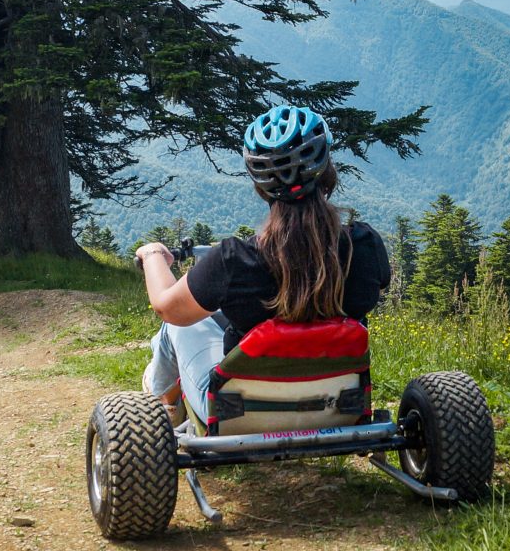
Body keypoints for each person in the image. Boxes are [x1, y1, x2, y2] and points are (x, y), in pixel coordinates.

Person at [134, 105, 391, 427]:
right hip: (340, 404)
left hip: (239, 414)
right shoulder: (363, 245)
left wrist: (153, 254)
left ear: (260, 185)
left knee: (178, 325)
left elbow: (166, 307)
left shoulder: (234, 260)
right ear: (328, 170)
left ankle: (162, 406)